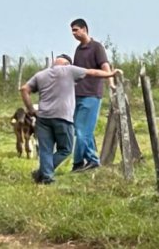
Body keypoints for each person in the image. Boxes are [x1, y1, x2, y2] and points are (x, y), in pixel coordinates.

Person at [21, 54, 121, 184]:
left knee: (45, 150)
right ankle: (43, 173)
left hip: (43, 117)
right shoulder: (69, 70)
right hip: (62, 117)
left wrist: (31, 110)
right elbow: (92, 72)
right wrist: (110, 74)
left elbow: (24, 89)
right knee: (66, 149)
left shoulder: (41, 75)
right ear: (67, 64)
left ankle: (46, 177)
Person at [69, 18, 113, 172]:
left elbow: (105, 67)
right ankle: (83, 161)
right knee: (79, 130)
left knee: (83, 130)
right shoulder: (78, 50)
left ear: (84, 29)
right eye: (72, 31)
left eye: (76, 30)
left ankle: (90, 160)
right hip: (78, 94)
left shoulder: (96, 47)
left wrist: (111, 83)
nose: (74, 33)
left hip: (92, 94)